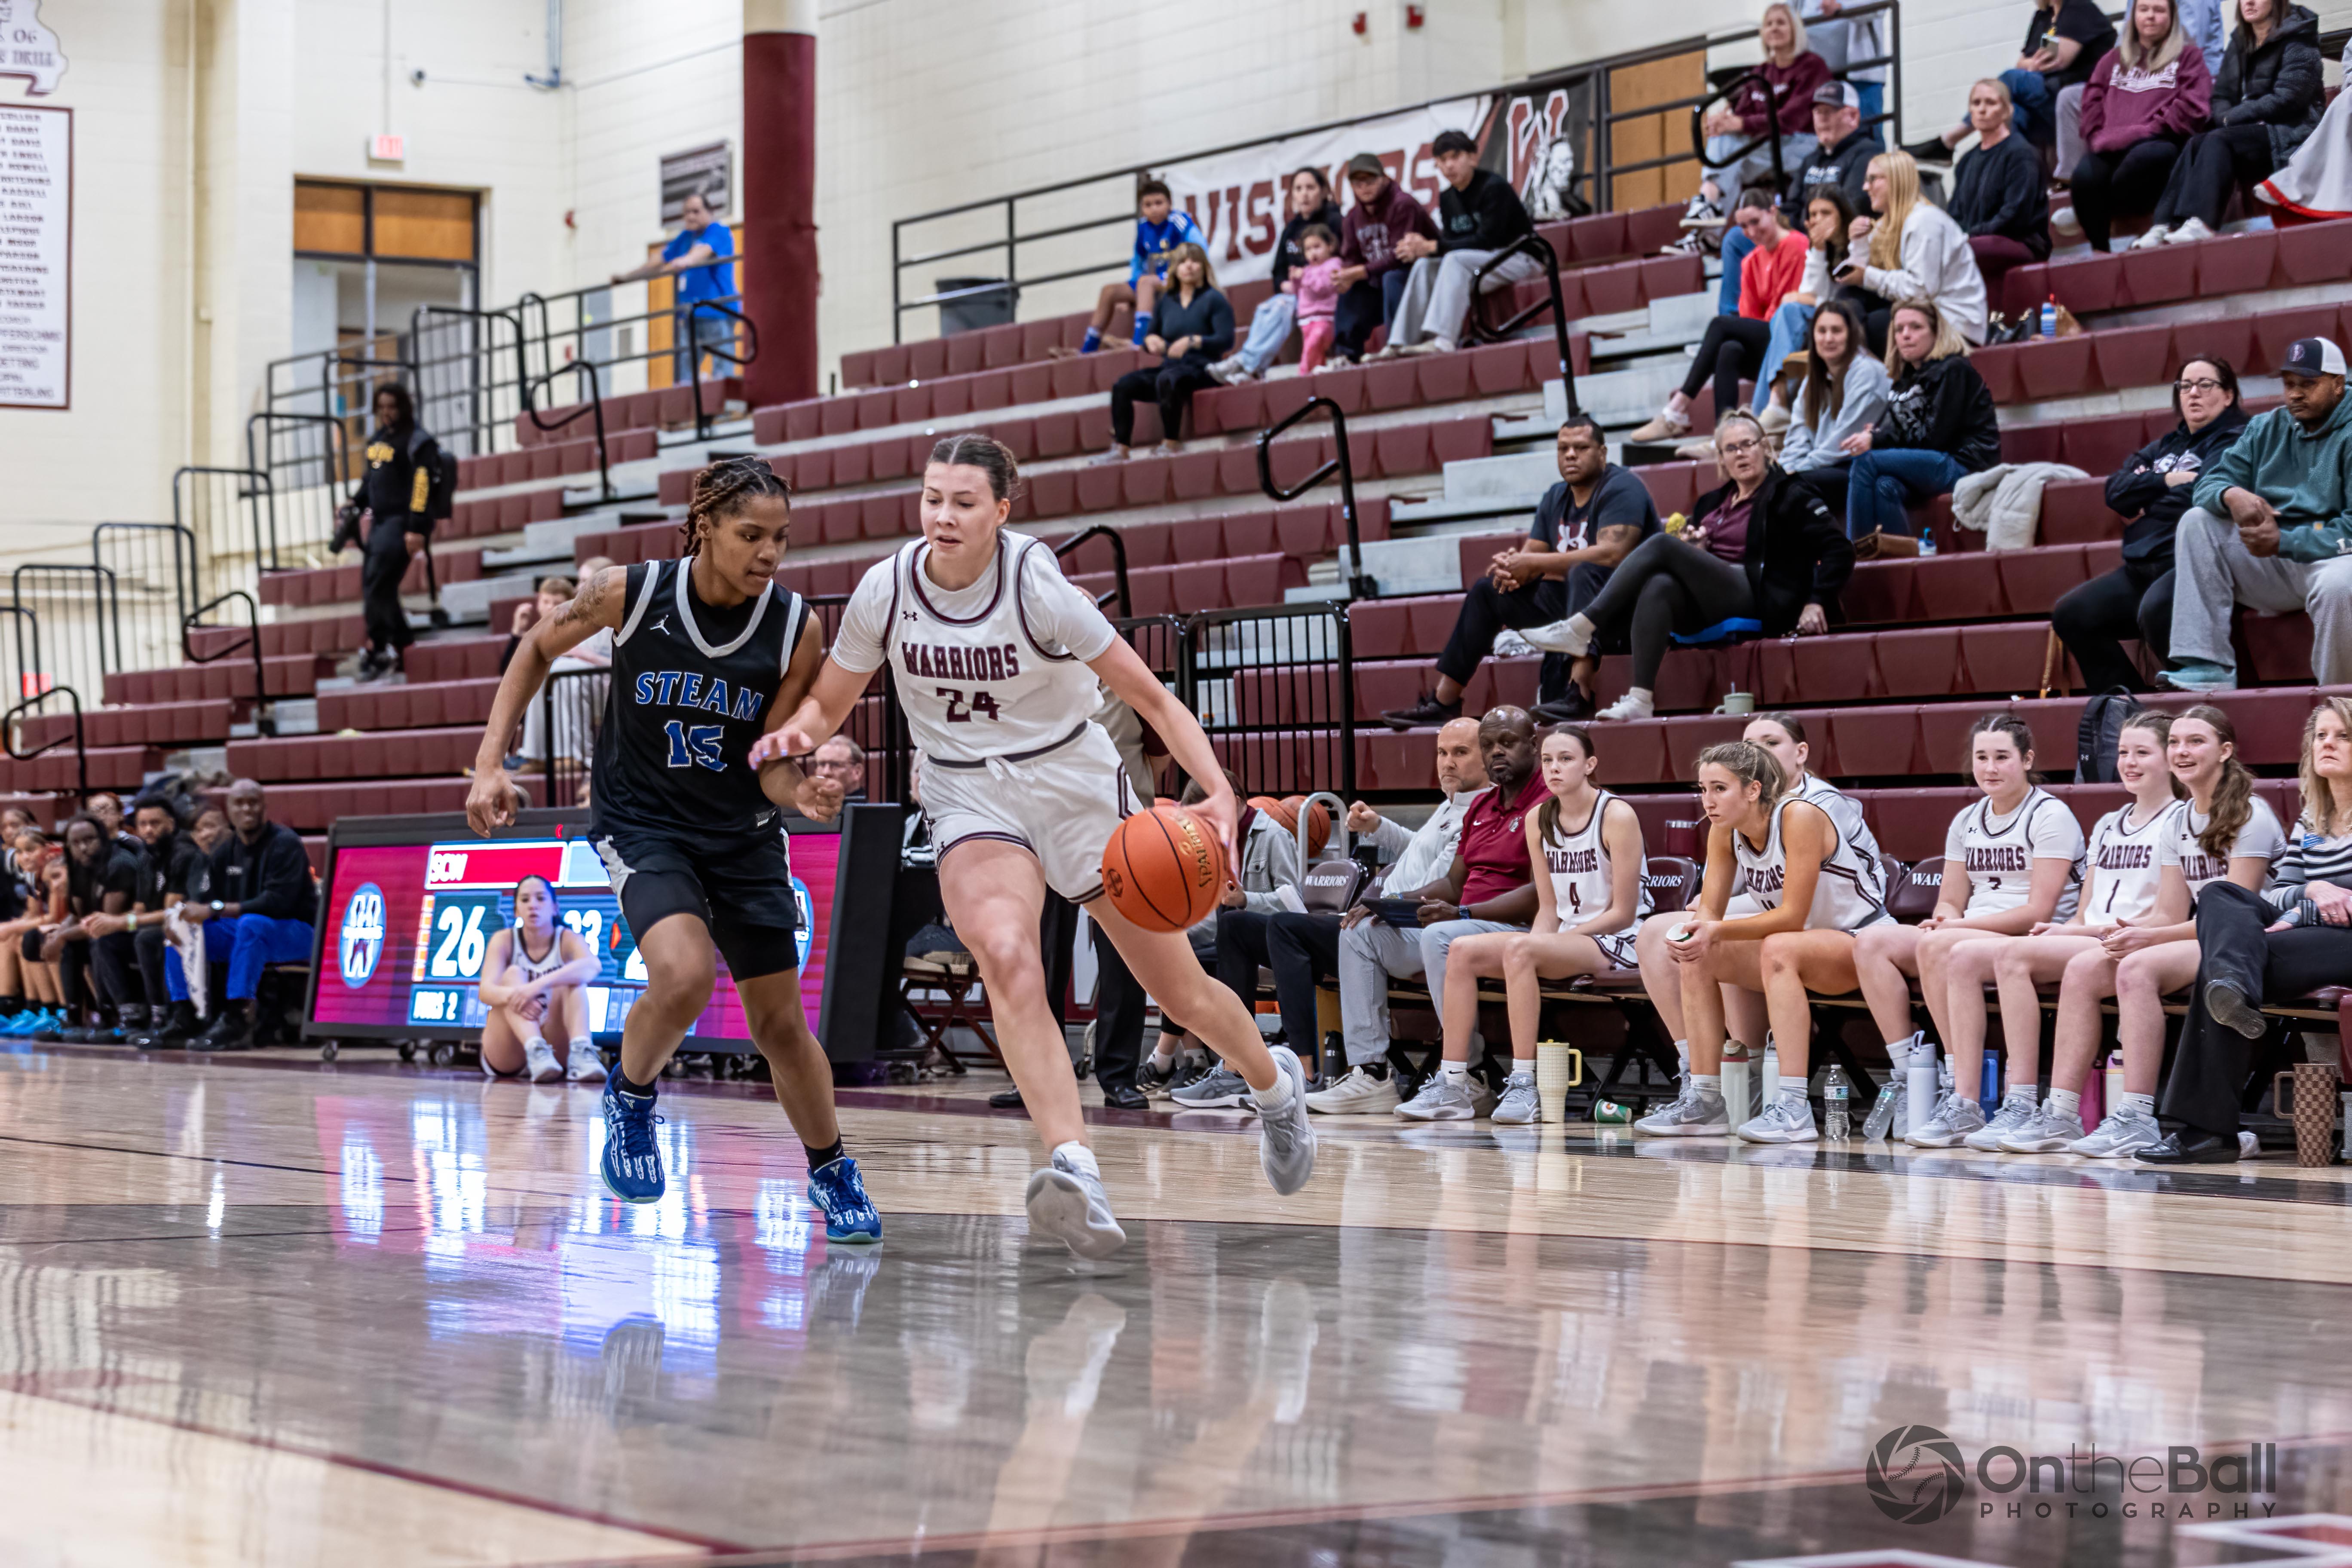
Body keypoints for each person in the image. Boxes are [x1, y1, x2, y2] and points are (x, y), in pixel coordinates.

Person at [760, 434, 1317, 1259]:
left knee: (1182, 990)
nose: (943, 516)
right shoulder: (888, 588)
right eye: (932, 498)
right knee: (1007, 954)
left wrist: (1220, 793)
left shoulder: (1038, 586)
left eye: (963, 502)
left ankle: (1275, 1090)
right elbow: (830, 701)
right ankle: (1075, 1166)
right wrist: (796, 735)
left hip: (1073, 783)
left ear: (1001, 511)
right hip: (965, 789)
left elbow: (1153, 699)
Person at [464, 455, 885, 1246]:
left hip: (743, 835)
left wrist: (802, 793)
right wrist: (491, 762)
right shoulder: (630, 592)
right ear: (704, 527)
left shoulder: (795, 627)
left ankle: (831, 1167)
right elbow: (535, 651)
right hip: (643, 824)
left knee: (780, 1026)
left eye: (781, 538)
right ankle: (631, 1097)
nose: (769, 553)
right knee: (685, 974)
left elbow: (771, 763)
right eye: (751, 535)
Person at [2033, 706, 2284, 1160]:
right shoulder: (2178, 820)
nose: (2182, 751)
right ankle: (2061, 1113)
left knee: (2138, 969)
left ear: (2225, 751)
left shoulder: (2252, 814)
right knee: (2086, 967)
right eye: (2175, 743)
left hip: (2253, 944)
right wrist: (2119, 932)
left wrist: (2147, 941)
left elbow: (2239, 915)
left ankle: (2137, 1116)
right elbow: (2167, 912)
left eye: (2196, 742)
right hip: (2202, 937)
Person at [1939, 713, 2187, 1152]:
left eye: (2142, 753)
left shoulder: (2180, 821)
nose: (2129, 762)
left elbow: (2170, 913)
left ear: (2170, 757)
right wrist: (2064, 929)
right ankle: (2008, 1105)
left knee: (2014, 955)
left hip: (2136, 939)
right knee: (1972, 955)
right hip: (2092, 934)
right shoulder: (2109, 823)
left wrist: (2085, 931)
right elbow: (2086, 908)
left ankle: (2039, 1106)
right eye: (2123, 752)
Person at [1847, 714, 2086, 1147]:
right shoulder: (1967, 819)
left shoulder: (2051, 815)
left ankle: (1963, 1095)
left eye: (2002, 757)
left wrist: (1956, 926)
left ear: (2027, 760)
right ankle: (1911, 1074)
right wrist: (1946, 918)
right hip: (1968, 932)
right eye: (1982, 758)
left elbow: (2037, 912)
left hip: (2031, 938)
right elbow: (1950, 899)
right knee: (1872, 942)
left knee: (1941, 945)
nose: (1990, 768)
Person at [1524, 410, 1852, 722]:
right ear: (1721, 458)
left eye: (1748, 445)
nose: (1740, 454)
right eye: (1731, 449)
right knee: (1660, 585)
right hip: (1715, 596)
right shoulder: (1711, 503)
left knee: (1662, 544)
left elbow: (1839, 549)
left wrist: (1816, 600)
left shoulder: (1790, 493)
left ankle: (1581, 627)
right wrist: (1698, 551)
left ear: (1765, 447)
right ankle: (1640, 699)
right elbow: (1703, 564)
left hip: (1761, 593)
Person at [1638, 739, 1892, 1142]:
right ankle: (1704, 1100)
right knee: (1697, 951)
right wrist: (1697, 934)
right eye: (1703, 789)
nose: (1708, 800)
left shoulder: (1799, 816)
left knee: (1777, 945)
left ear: (1753, 789)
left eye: (1720, 788)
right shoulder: (1723, 831)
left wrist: (1716, 930)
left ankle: (1794, 1107)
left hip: (1860, 940)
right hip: (1799, 947)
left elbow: (1792, 916)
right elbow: (1709, 913)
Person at [1402, 726, 1648, 1122]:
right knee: (1461, 951)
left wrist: (1542, 946)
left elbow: (1623, 912)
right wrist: (1541, 944)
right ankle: (1454, 1084)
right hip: (1567, 938)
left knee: (1521, 949)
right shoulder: (1539, 818)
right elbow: (1548, 909)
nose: (1554, 768)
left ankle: (1523, 1084)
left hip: (1620, 938)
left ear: (1590, 765)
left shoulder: (1616, 814)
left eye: (1566, 759)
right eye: (1548, 760)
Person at [2148, 698, 2352, 1160]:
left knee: (2222, 968)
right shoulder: (2313, 820)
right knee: (2221, 895)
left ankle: (2206, 1132)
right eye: (2321, 736)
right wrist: (2313, 890)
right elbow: (2279, 894)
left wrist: (2306, 908)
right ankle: (2231, 985)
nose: (2328, 744)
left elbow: (2298, 906)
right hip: (2312, 939)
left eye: (2343, 736)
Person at [1379, 416, 1659, 731]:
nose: (1570, 455)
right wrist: (1512, 568)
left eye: (1581, 448)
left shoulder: (1622, 487)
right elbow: (1532, 557)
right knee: (1488, 591)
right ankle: (1444, 702)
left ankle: (1579, 691)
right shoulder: (1556, 496)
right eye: (1563, 449)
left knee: (1584, 571)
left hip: (1627, 611)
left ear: (1602, 453)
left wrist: (1534, 563)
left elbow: (1613, 554)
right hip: (1572, 606)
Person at [1296, 720, 1488, 1114]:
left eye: (1460, 752)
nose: (1448, 763)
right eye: (1442, 752)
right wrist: (1379, 827)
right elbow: (1420, 849)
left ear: (1488, 757)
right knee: (1355, 931)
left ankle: (1464, 1073)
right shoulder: (1452, 803)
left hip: (1442, 923)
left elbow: (1446, 881)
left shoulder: (1482, 808)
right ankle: (1370, 1072)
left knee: (1386, 934)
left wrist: (1390, 901)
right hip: (1413, 921)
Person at [2053, 356, 2247, 693]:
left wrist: (2148, 496)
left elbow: (2201, 495)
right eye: (2186, 386)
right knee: (2073, 614)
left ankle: (2203, 706)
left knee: (2156, 609)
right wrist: (2166, 480)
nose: (2193, 393)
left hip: (2193, 567)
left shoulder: (2237, 439)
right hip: (2142, 566)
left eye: (2205, 385)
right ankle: (2132, 711)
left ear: (2228, 395)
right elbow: (2116, 491)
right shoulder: (2167, 445)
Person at [2168, 337, 2352, 690]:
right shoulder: (2266, 427)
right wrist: (2230, 494)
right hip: (2275, 563)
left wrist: (2285, 541)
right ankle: (2206, 668)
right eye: (2289, 384)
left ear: (2338, 384)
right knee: (2198, 521)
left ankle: (2339, 700)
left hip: (2333, 559)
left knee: (2341, 585)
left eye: (2308, 384)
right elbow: (2208, 483)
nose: (2295, 394)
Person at [1629, 191, 1811, 450]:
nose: (1750, 232)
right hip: (1767, 341)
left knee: (1721, 325)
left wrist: (1751, 327)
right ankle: (1723, 437)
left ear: (1772, 212)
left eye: (1755, 222)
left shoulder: (1796, 245)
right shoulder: (1751, 261)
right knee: (1729, 349)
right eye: (1743, 226)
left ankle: (1677, 409)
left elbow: (1787, 313)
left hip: (1792, 338)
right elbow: (1749, 317)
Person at [2135, 0, 2322, 247]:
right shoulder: (2241, 40)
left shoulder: (2299, 37)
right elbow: (2222, 95)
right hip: (2250, 129)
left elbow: (2289, 97)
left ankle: (2202, 223)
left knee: (2217, 140)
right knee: (2195, 142)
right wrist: (2226, 117)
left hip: (2290, 132)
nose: (2249, 2)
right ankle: (2163, 225)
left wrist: (2233, 117)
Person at [167, 780, 322, 1050]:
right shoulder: (226, 851)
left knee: (252, 924)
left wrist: (214, 909)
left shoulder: (285, 843)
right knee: (182, 928)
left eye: (253, 802)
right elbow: (206, 900)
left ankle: (237, 1019)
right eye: (240, 803)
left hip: (299, 932)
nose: (247, 809)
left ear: (264, 807)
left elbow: (277, 903)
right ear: (229, 810)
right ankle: (185, 1017)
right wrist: (189, 913)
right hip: (247, 932)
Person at [1839, 297, 2000, 550]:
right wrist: (1879, 433)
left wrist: (1877, 440)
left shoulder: (1953, 370)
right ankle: (1903, 559)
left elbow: (1935, 438)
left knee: (1864, 462)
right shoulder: (1904, 379)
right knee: (1885, 486)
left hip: (1965, 465)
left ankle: (1853, 555)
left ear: (1936, 333)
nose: (1906, 335)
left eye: (1916, 327)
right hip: (1931, 464)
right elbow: (1903, 428)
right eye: (1899, 329)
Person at [1677, 2, 1830, 251]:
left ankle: (1706, 213)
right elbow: (1743, 112)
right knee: (1726, 148)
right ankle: (1708, 222)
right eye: (1769, 24)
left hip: (1802, 144)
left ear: (1795, 29)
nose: (1774, 28)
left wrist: (1740, 123)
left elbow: (1790, 119)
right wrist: (1723, 120)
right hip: (1770, 147)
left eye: (1781, 23)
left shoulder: (1812, 66)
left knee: (1729, 148)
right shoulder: (1762, 72)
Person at [2065, 0, 2214, 252]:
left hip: (2158, 142)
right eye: (2144, 10)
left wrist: (2150, 129)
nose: (2150, 16)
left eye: (2159, 10)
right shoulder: (2111, 59)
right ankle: (2100, 250)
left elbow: (2194, 106)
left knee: (2145, 160)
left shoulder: (2189, 56)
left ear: (2172, 17)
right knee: (2084, 177)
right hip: (2110, 147)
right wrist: (2097, 135)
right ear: (2134, 16)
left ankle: (2102, 209)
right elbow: (2091, 101)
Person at [1381, 129, 1539, 358]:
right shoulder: (1447, 198)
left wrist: (1432, 247)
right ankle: (1400, 343)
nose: (1449, 166)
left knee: (1454, 261)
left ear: (1473, 157)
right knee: (1424, 266)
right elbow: (1453, 242)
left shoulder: (1494, 187)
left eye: (1455, 157)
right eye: (1442, 160)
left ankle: (1443, 341)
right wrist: (1419, 247)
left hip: (1518, 257)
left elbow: (1489, 240)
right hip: (1481, 262)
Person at [1911, 0, 2117, 157]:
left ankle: (1949, 140)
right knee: (2011, 114)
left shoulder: (2079, 8)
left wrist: (2031, 64)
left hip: (2077, 98)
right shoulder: (2044, 16)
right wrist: (2032, 64)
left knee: (2010, 79)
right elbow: (2024, 62)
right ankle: (2014, 178)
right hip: (2047, 96)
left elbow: (2056, 61)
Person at [1836, 153, 1988, 351]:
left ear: (1896, 181)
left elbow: (1920, 289)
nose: (1865, 187)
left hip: (1955, 325)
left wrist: (1866, 277)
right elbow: (1855, 273)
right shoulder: (1889, 224)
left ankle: (1854, 364)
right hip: (1921, 313)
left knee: (1874, 326)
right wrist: (1859, 242)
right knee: (1849, 298)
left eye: (1873, 179)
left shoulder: (1924, 221)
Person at [1095, 244, 1231, 464]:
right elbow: (1150, 337)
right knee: (1123, 385)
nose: (1189, 266)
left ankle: (1171, 442)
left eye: (1195, 261)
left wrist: (1193, 341)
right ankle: (1121, 448)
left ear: (1204, 267)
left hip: (1203, 368)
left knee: (1167, 379)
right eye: (1183, 262)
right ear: (1175, 268)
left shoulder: (1215, 299)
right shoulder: (1167, 301)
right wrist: (1150, 341)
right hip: (1171, 367)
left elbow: (1226, 340)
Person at [1210, 169, 1344, 383]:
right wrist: (1283, 285)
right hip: (1298, 296)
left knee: (1282, 306)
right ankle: (1248, 363)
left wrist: (1306, 280)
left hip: (1325, 297)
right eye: (1299, 189)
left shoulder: (1335, 222)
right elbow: (1279, 270)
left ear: (1324, 191)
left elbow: (1342, 264)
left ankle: (1248, 364)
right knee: (1268, 307)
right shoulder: (1291, 229)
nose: (1304, 194)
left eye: (1310, 188)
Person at [346, 383, 440, 682]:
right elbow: (371, 480)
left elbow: (422, 486)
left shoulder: (417, 441)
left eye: (392, 407)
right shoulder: (378, 440)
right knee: (376, 587)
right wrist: (355, 502)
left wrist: (416, 528)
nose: (386, 412)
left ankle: (379, 649)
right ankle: (402, 642)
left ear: (403, 408)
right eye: (382, 407)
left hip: (401, 523)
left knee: (378, 585)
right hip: (379, 523)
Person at [477, 875, 604, 1084]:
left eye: (541, 898)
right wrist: (519, 996)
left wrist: (535, 987)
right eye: (525, 900)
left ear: (555, 908)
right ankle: (535, 1048)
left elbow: (593, 966)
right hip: (510, 1049)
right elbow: (486, 992)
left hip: (555, 1046)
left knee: (573, 979)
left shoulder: (568, 938)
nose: (533, 905)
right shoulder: (504, 939)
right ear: (516, 911)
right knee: (513, 974)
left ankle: (582, 1051)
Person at [1755, 187, 1864, 431]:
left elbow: (1830, 298)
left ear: (1842, 214)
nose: (1817, 220)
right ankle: (1771, 406)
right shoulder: (1820, 247)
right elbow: (1811, 291)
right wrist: (1819, 250)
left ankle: (1770, 407)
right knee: (1784, 315)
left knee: (1788, 312)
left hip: (1849, 315)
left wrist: (1805, 299)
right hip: (1822, 316)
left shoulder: (1857, 239)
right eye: (1813, 215)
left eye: (1826, 213)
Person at [1776, 299, 1892, 514]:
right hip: (1820, 467)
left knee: (1791, 488)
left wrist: (1794, 472)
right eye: (1822, 331)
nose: (1828, 338)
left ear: (1851, 335)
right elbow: (1797, 436)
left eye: (1837, 331)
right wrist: (1784, 469)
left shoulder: (1868, 373)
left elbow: (1842, 445)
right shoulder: (1813, 379)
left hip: (1856, 468)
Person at [610, 189, 738, 381]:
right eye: (687, 212)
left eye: (696, 211)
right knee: (685, 371)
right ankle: (688, 397)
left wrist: (687, 260)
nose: (690, 217)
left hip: (718, 311)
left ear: (709, 212)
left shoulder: (719, 231)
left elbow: (703, 251)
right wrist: (628, 278)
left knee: (722, 368)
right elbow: (659, 260)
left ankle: (724, 398)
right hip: (690, 313)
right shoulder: (685, 238)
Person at [1074, 179, 1204, 356]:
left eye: (1159, 203)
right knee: (1110, 291)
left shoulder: (1179, 221)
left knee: (1146, 283)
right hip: (1156, 281)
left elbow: (1200, 247)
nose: (1154, 209)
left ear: (1170, 204)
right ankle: (1089, 346)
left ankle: (1140, 342)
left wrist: (1192, 274)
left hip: (1178, 279)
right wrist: (1132, 288)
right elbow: (1138, 261)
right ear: (1142, 208)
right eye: (1148, 205)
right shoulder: (1143, 227)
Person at [1946, 80, 2054, 292]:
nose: (1982, 110)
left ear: (2007, 111)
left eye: (1991, 103)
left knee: (1968, 251)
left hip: (2019, 241)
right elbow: (1954, 213)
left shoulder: (2022, 154)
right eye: (1976, 103)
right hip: (1977, 240)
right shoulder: (1967, 160)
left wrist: (1970, 236)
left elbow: (2015, 215)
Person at [1333, 153, 1440, 363]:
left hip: (1418, 276)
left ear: (1384, 178)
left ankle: (1399, 344)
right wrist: (1345, 275)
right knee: (1352, 290)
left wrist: (1361, 271)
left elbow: (1401, 256)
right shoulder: (1352, 218)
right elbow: (1351, 257)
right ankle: (1347, 356)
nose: (1365, 188)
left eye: (1370, 181)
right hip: (1379, 282)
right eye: (1358, 183)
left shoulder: (1403, 205)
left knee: (1392, 277)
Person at [42, 815, 139, 1043]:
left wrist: (61, 936)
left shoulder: (120, 863)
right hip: (101, 931)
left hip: (130, 929)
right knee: (70, 944)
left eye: (89, 840)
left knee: (99, 941)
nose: (84, 848)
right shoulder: (77, 867)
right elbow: (76, 915)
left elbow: (106, 922)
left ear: (103, 839)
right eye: (76, 843)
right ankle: (74, 1016)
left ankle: (122, 1016)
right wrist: (57, 935)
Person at [119, 796, 201, 1047]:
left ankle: (162, 1013)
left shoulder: (183, 853)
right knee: (106, 940)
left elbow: (171, 913)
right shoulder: (145, 856)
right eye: (143, 824)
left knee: (148, 938)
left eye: (155, 823)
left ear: (171, 823)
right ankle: (127, 1015)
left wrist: (119, 922)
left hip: (188, 926)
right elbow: (139, 909)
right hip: (156, 924)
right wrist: (115, 924)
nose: (148, 830)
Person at [1788, 81, 1883, 222]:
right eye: (1818, 111)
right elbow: (1790, 208)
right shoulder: (1810, 160)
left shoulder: (1870, 154)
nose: (1822, 118)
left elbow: (1852, 207)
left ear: (1853, 116)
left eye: (1829, 111)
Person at [1287, 227, 1344, 377]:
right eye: (1308, 249)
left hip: (1326, 318)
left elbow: (1322, 287)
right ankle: (1318, 378)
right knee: (1314, 351)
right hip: (1306, 319)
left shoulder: (1334, 265)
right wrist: (1295, 280)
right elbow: (1298, 292)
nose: (1313, 253)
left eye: (1317, 247)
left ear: (1330, 246)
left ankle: (1303, 376)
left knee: (1313, 345)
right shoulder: (1307, 270)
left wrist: (1304, 277)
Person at [808, 735, 868, 803]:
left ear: (857, 772)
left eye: (836, 765)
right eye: (822, 765)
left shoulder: (867, 810)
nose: (826, 772)